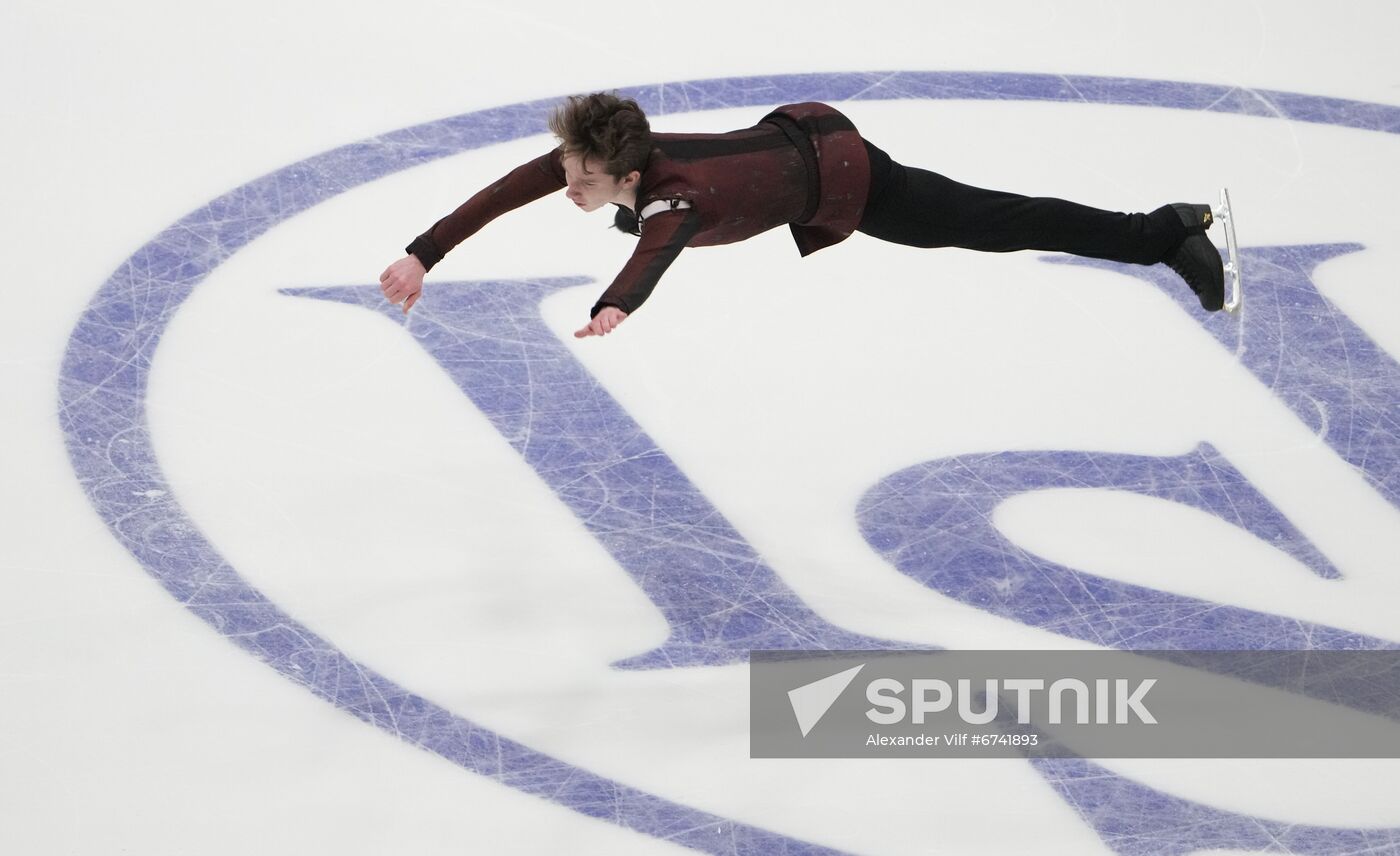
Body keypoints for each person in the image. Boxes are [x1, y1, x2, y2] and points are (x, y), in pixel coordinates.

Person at [379, 93, 1225, 336]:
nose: (570, 187)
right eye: (571, 171)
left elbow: (653, 255)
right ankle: (1167, 224)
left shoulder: (672, 201)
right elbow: (499, 194)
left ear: (629, 170)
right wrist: (424, 253)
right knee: (1005, 218)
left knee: (1003, 221)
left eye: (588, 181)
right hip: (793, 141)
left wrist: (614, 305)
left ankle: (1164, 233)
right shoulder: (594, 159)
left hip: (845, 175)